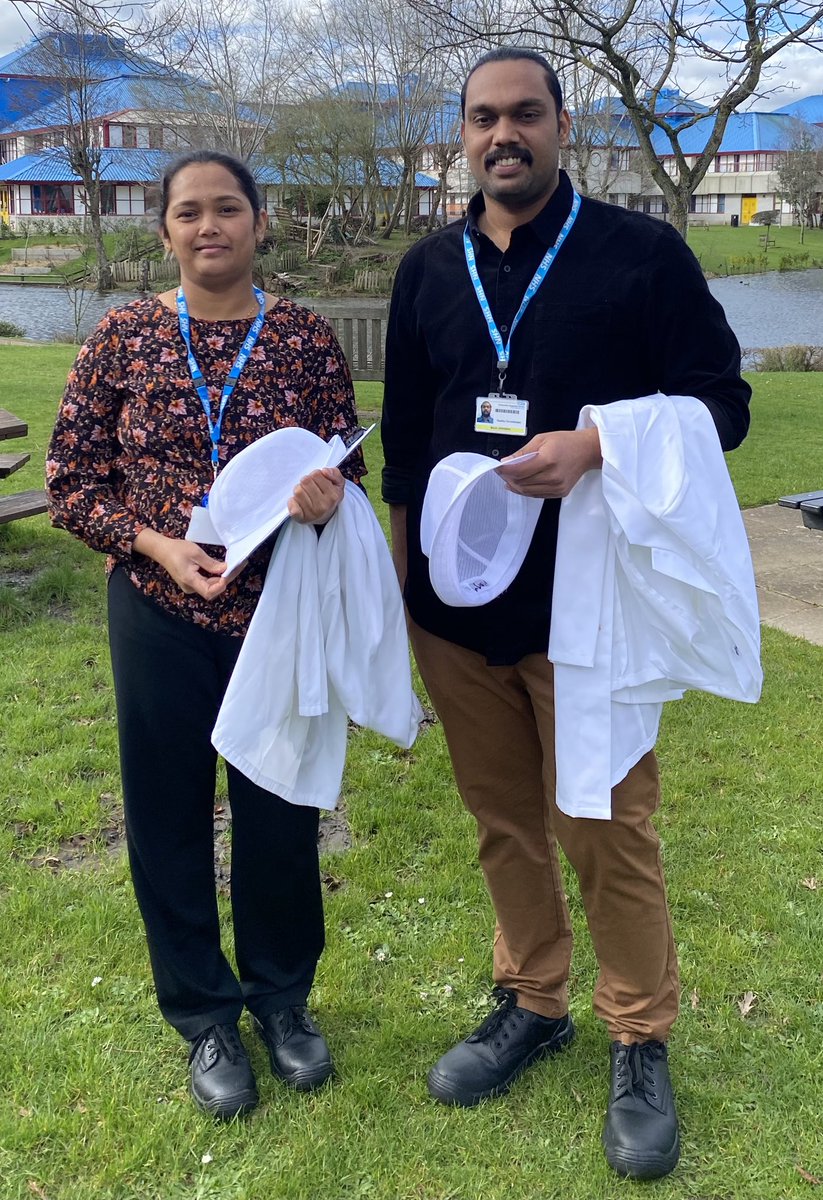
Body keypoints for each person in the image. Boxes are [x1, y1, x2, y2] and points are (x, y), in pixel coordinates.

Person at [381, 48, 751, 1179]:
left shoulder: (640, 254)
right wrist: (408, 602)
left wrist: (599, 447)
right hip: (455, 612)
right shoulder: (427, 267)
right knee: (503, 823)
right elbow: (405, 442)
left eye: (526, 115)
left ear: (563, 122)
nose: (506, 134)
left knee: (606, 830)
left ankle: (637, 1033)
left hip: (585, 611)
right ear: (461, 135)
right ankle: (533, 1001)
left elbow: (722, 405)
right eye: (484, 118)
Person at [46, 150, 365, 1121]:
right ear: (166, 232)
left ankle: (282, 1004)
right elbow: (71, 480)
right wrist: (155, 545)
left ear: (260, 223)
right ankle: (204, 1018)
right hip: (159, 611)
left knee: (279, 814)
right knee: (169, 816)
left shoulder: (303, 340)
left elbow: (344, 464)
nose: (208, 226)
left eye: (227, 208)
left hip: (277, 612)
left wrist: (322, 498)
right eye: (188, 212)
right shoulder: (124, 337)